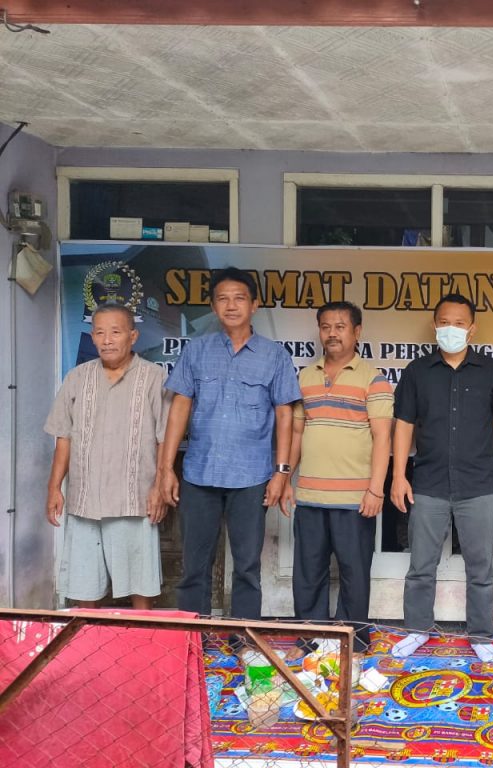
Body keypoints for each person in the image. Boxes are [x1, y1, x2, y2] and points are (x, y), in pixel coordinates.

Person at [160, 267, 301, 625]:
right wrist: (165, 469)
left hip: (252, 476)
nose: (231, 305)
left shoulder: (274, 356)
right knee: (195, 567)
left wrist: (281, 473)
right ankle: (192, 639)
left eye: (239, 298)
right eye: (223, 298)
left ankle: (244, 640)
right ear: (213, 305)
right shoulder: (198, 350)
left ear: (254, 305)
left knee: (248, 568)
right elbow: (179, 409)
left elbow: (284, 416)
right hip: (199, 474)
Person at [390, 293, 493, 662]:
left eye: (459, 323)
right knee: (421, 566)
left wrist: (477, 435)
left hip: (477, 485)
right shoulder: (417, 371)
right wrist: (399, 476)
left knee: (480, 567)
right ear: (434, 326)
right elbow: (403, 424)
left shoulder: (491, 370)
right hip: (428, 483)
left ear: (472, 329)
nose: (451, 329)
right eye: (445, 322)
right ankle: (416, 630)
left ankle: (480, 634)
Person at [281, 301, 393, 664]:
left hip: (354, 497)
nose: (332, 333)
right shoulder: (305, 376)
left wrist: (376, 489)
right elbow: (297, 431)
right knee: (308, 572)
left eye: (340, 326)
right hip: (311, 496)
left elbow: (383, 439)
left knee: (353, 572)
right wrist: (285, 478)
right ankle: (311, 637)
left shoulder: (373, 379)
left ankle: (353, 641)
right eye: (326, 326)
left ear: (357, 332)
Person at [44, 304, 170, 610]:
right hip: (85, 501)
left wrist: (159, 488)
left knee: (141, 587)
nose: (107, 340)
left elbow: (164, 439)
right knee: (83, 587)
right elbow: (64, 436)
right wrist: (54, 488)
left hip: (134, 500)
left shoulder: (155, 378)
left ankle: (143, 645)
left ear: (133, 336)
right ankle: (86, 646)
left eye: (116, 331)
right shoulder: (77, 378)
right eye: (99, 332)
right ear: (92, 337)